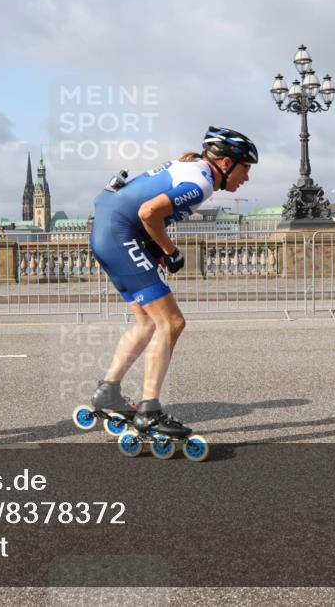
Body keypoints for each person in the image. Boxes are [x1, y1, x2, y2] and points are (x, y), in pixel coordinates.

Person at [87, 126, 257, 439]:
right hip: (120, 235)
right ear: (226, 163)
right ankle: (149, 412)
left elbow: (141, 207)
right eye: (245, 168)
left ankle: (108, 391)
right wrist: (170, 250)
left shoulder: (190, 168)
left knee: (147, 323)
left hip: (108, 232)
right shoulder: (202, 180)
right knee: (172, 322)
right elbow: (149, 211)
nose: (246, 177)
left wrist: (152, 246)